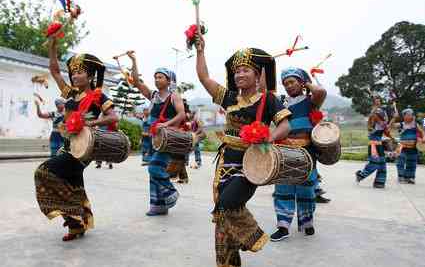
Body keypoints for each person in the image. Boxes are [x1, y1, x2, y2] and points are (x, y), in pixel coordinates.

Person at [195, 35, 291, 267]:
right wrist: (200, 51)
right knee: (221, 220)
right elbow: (204, 77)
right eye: (237, 71)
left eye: (245, 70)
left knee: (226, 205)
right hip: (225, 163)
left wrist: (269, 136)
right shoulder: (228, 98)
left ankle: (252, 236)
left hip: (252, 165)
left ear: (258, 75)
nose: (239, 74)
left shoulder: (268, 100)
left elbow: (285, 125)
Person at [34, 36, 119, 241]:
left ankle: (75, 217)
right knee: (74, 185)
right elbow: (55, 71)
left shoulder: (99, 96)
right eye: (73, 72)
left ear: (89, 76)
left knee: (43, 172)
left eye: (80, 72)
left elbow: (113, 116)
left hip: (84, 148)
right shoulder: (70, 92)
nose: (74, 75)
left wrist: (90, 123)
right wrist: (53, 46)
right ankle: (76, 225)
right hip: (66, 143)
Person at [271, 67, 326, 241]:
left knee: (306, 187)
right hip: (284, 149)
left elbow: (321, 91)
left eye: (292, 82)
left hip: (306, 149)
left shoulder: (311, 101)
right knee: (283, 187)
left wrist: (306, 80)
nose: (288, 86)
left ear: (301, 83)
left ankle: (307, 221)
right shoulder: (280, 102)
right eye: (285, 83)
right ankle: (283, 226)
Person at [129, 51, 186, 216]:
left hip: (168, 137)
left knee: (154, 167)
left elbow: (182, 115)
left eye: (160, 77)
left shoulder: (174, 96)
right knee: (155, 170)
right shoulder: (153, 96)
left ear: (168, 81)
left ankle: (170, 193)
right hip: (156, 139)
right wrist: (134, 61)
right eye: (155, 77)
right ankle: (158, 206)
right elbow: (137, 82)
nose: (156, 79)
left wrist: (165, 124)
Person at [355, 97, 392, 188]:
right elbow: (374, 120)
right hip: (373, 145)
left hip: (379, 145)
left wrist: (390, 136)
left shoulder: (381, 119)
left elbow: (386, 130)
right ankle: (361, 175)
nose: (380, 118)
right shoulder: (371, 123)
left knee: (382, 163)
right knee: (375, 163)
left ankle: (379, 182)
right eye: (379, 116)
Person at [389, 107, 425, 184]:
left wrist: (424, 138)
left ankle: (410, 177)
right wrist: (394, 118)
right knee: (400, 162)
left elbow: (422, 132)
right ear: (404, 116)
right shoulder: (401, 125)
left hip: (413, 147)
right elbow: (391, 126)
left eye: (411, 115)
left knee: (412, 162)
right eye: (408, 115)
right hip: (402, 147)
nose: (410, 116)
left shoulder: (415, 125)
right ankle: (401, 176)